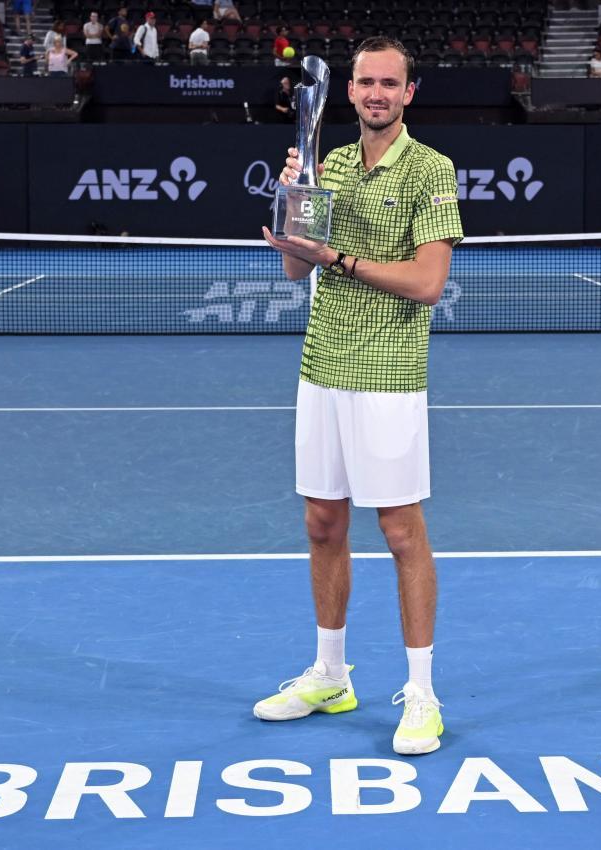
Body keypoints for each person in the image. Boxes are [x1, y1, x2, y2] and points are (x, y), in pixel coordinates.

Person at [256, 36, 464, 757]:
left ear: (409, 93)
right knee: (321, 524)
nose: (375, 93)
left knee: (401, 532)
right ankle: (330, 674)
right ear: (347, 91)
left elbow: (427, 283)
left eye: (389, 83)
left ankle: (422, 694)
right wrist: (295, 195)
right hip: (322, 364)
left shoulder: (430, 171)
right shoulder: (332, 163)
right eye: (364, 82)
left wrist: (335, 258)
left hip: (388, 374)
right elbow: (291, 269)